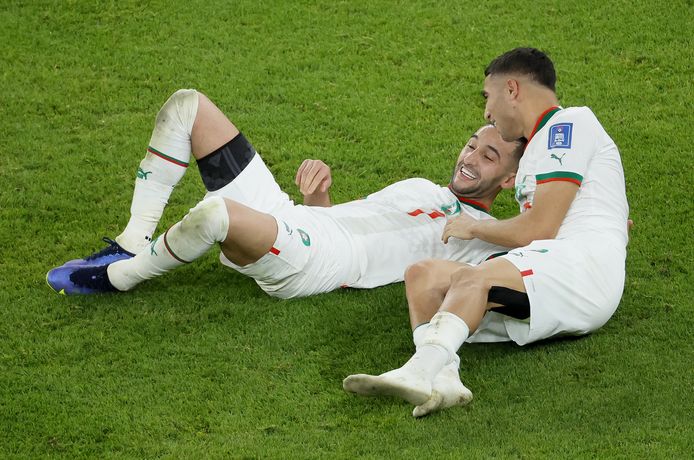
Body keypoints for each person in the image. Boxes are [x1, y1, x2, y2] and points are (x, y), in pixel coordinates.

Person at [343, 47, 629, 417]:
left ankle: (418, 371)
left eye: (487, 97)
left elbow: (540, 227)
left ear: (511, 89)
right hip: (558, 268)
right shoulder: (542, 145)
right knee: (423, 276)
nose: (487, 112)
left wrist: (476, 227)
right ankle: (445, 380)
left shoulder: (567, 125)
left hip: (581, 269)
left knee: (472, 280)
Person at [47, 89, 524, 298]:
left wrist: (485, 229)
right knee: (189, 106)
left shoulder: (488, 239)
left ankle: (120, 278)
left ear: (508, 180)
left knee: (216, 213)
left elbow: (536, 240)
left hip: (319, 263)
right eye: (471, 144)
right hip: (300, 220)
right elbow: (357, 224)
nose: (469, 158)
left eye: (488, 157)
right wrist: (321, 198)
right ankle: (131, 240)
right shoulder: (423, 186)